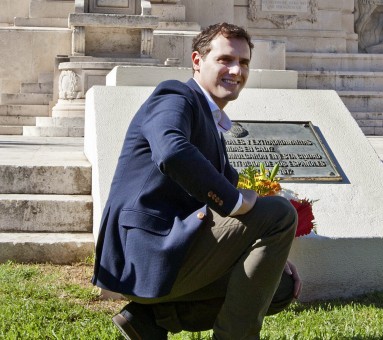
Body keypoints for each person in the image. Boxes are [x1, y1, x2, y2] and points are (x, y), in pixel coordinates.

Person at [91, 22, 302, 340]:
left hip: (172, 248)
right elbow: (172, 151)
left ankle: (149, 319)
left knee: (280, 286)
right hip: (144, 251)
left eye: (243, 63)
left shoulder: (212, 121)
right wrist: (232, 200)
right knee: (279, 213)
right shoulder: (175, 96)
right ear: (197, 61)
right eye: (225, 60)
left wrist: (275, 256)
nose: (236, 70)